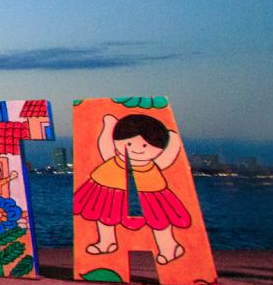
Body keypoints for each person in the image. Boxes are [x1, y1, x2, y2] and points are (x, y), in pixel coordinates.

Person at [75, 112, 192, 265]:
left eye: (145, 145)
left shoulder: (152, 166)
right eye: (128, 143)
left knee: (160, 220)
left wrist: (174, 141)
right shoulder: (114, 159)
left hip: (152, 192)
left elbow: (166, 159)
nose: (137, 149)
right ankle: (107, 242)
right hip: (106, 188)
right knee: (103, 216)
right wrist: (109, 125)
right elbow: (105, 147)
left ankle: (169, 247)